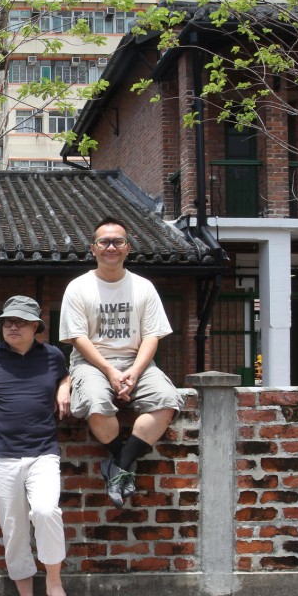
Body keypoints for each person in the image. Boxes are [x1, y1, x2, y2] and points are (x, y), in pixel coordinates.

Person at [59, 216, 183, 509]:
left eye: (118, 241)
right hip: (92, 363)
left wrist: (135, 371)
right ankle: (123, 464)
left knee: (167, 400)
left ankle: (119, 466)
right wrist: (111, 371)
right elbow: (78, 338)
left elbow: (152, 335)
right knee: (94, 402)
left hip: (137, 360)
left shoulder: (143, 287)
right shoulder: (78, 287)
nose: (111, 247)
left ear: (128, 248)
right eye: (104, 241)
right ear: (93, 248)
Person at [0, 296, 74, 596]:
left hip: (43, 451)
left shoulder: (52, 355)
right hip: (4, 454)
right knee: (13, 528)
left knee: (45, 511)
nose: (12, 326)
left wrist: (64, 387)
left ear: (35, 327)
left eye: (20, 321)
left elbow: (67, 375)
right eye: (7, 321)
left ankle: (55, 584)